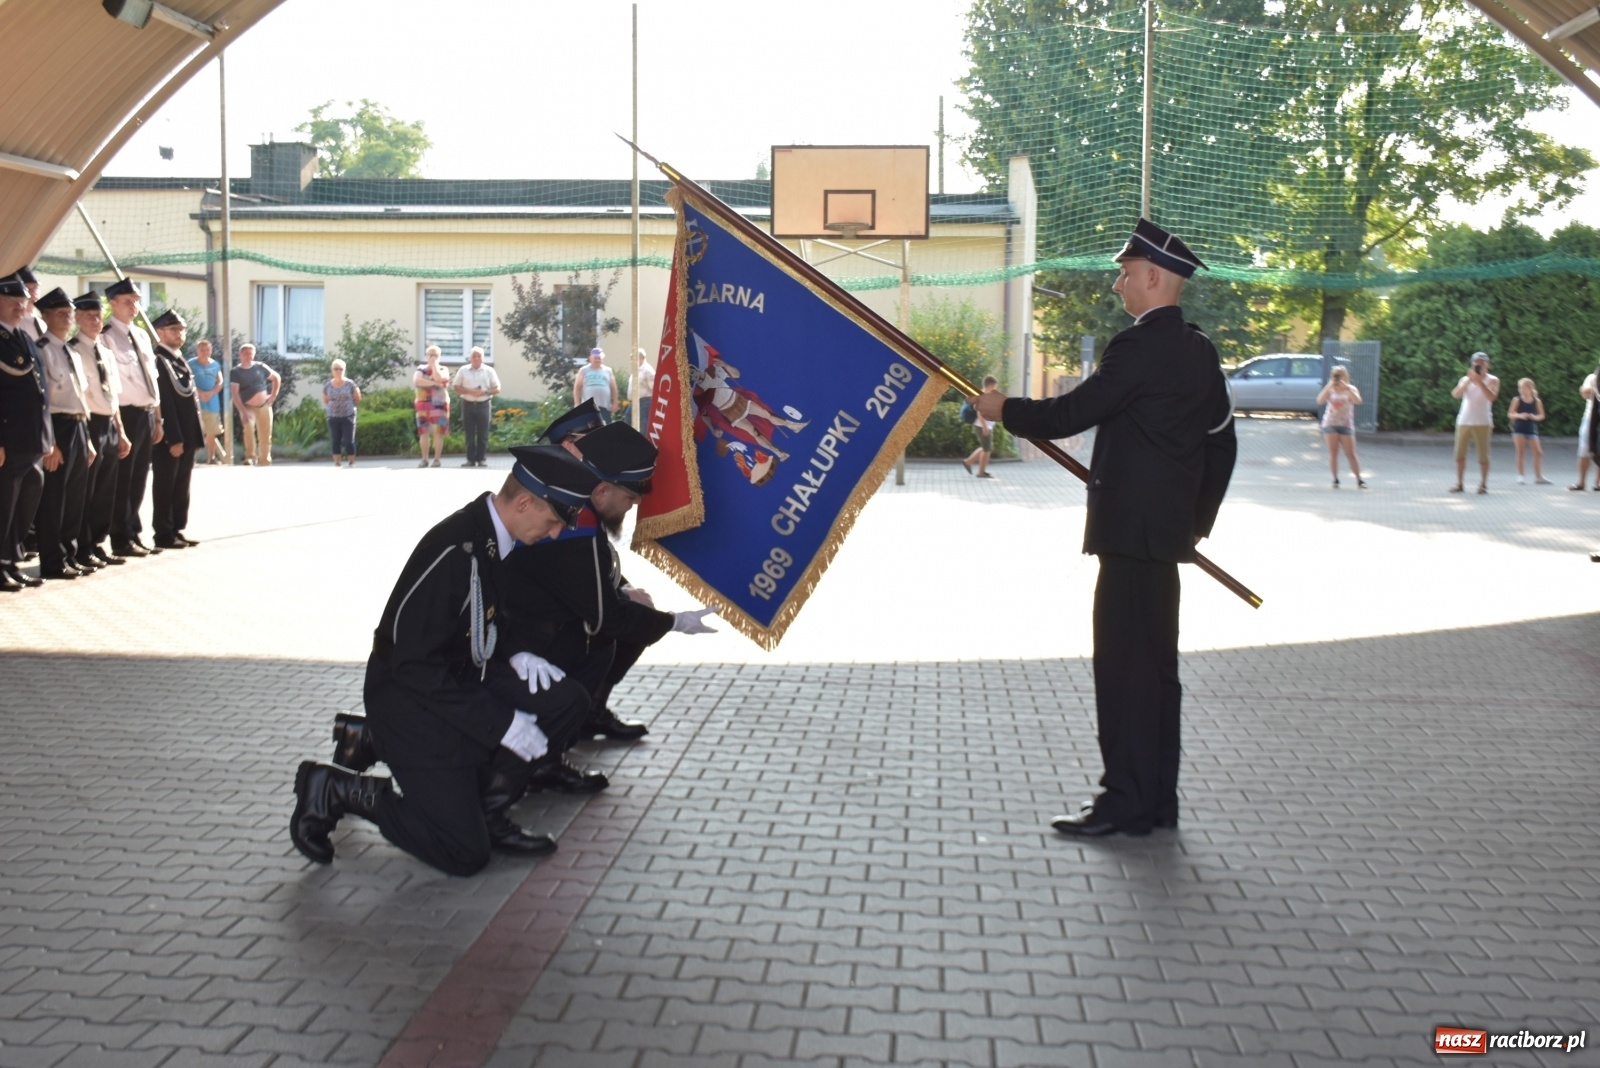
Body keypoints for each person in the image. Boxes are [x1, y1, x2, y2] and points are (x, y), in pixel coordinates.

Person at [974, 219, 1236, 838]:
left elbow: (1071, 413)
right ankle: (1154, 801)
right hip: (1163, 541)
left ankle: (1123, 801)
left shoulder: (1140, 346)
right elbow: (1221, 445)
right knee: (1156, 675)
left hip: (1127, 539)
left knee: (1123, 673)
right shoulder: (1199, 351)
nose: (1119, 284)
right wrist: (1192, 527)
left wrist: (1002, 409)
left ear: (1153, 277)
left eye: (1125, 273)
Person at [289, 446, 602, 875]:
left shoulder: (497, 537)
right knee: (462, 852)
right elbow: (412, 664)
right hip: (412, 700)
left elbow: (482, 616)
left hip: (463, 679)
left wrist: (515, 652)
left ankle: (485, 812)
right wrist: (500, 723)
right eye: (551, 522)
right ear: (526, 502)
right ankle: (339, 789)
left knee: (565, 701)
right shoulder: (455, 549)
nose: (552, 535)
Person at [502, 407, 718, 754]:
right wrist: (674, 621)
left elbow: (589, 573)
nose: (632, 508)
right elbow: (602, 607)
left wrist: (622, 588)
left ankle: (589, 714)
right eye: (630, 499)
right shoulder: (572, 516)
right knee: (605, 637)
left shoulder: (578, 504)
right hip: (521, 642)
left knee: (627, 619)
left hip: (533, 623)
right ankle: (549, 754)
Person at [31, 289, 95, 579]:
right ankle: (53, 562)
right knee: (54, 499)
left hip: (79, 426)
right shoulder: (41, 349)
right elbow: (40, 399)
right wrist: (50, 442)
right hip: (57, 427)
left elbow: (81, 396)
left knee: (74, 498)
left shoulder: (71, 350)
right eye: (60, 313)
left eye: (69, 313)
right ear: (44, 316)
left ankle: (69, 555)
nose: (67, 318)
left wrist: (89, 438)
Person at [103, 278, 165, 558]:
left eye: (137, 301)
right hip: (125, 414)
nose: (134, 306)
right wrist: (118, 425)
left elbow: (152, 380)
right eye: (127, 301)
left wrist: (159, 419)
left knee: (139, 478)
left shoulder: (140, 335)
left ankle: (133, 532)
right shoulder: (106, 336)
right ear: (112, 303)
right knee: (122, 479)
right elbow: (111, 385)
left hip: (146, 413)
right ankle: (120, 538)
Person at [69, 291, 131, 570]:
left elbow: (114, 396)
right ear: (78, 319)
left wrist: (121, 431)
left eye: (98, 316)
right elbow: (78, 395)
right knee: (86, 490)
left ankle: (96, 543)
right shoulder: (72, 350)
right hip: (89, 423)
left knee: (106, 490)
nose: (95, 321)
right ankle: (81, 548)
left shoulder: (105, 351)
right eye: (89, 316)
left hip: (108, 423)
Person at [0, 273, 53, 593]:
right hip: (11, 439)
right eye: (13, 302)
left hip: (33, 439)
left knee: (26, 500)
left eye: (23, 301)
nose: (21, 306)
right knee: (4, 503)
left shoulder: (24, 337)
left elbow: (40, 391)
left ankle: (11, 559)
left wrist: (46, 438)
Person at [149, 309, 202, 550]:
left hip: (187, 434)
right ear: (159, 332)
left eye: (181, 330)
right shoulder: (159, 360)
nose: (179, 334)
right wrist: (174, 438)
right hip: (173, 437)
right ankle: (163, 533)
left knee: (181, 486)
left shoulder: (177, 359)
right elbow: (165, 402)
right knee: (166, 485)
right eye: (173, 330)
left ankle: (176, 528)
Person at [1450, 352, 1500, 495]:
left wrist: (1479, 382)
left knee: (1483, 456)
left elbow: (1492, 397)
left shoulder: (1493, 380)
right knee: (1459, 455)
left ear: (1487, 365)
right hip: (1464, 421)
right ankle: (1459, 483)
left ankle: (1483, 484)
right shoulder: (1465, 379)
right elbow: (1455, 395)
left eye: (1482, 363)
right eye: (1476, 363)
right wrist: (1467, 382)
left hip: (1483, 422)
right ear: (1472, 364)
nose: (1479, 365)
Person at [229, 343, 279, 467]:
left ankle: (265, 460)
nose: (248, 356)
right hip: (247, 406)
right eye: (245, 353)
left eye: (250, 353)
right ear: (240, 355)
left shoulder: (260, 367)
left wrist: (273, 396)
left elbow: (276, 378)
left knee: (266, 433)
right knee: (249, 428)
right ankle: (250, 457)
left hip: (264, 406)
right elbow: (235, 393)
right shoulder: (236, 372)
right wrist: (243, 411)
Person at [1316, 365, 1365, 488]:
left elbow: (1358, 401)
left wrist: (1347, 388)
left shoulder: (1351, 388)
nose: (1338, 379)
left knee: (1351, 453)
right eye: (1335, 376)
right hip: (1330, 423)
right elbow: (1319, 401)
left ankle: (1359, 479)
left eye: (1340, 376)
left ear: (1345, 376)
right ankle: (1335, 479)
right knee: (1333, 453)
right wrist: (1329, 385)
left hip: (1346, 424)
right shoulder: (1330, 389)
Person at [451, 346, 500, 467]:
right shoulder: (463, 370)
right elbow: (456, 387)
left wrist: (484, 392)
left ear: (483, 358)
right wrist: (469, 391)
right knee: (469, 433)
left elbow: (497, 388)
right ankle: (470, 460)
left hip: (483, 404)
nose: (476, 358)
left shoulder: (489, 371)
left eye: (479, 356)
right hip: (467, 404)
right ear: (470, 358)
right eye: (474, 356)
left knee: (483, 433)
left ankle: (481, 459)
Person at [188, 339, 226, 464]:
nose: (205, 352)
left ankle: (212, 458)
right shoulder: (190, 364)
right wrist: (200, 392)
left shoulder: (216, 365)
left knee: (211, 432)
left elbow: (220, 382)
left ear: (211, 351)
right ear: (197, 351)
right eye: (202, 350)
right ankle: (191, 458)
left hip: (212, 403)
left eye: (207, 350)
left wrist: (211, 393)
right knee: (193, 431)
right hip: (195, 403)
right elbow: (187, 381)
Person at [414, 345, 451, 467]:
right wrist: (435, 383)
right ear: (426, 356)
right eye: (429, 355)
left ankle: (437, 459)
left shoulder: (443, 369)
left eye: (434, 355)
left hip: (439, 406)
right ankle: (424, 459)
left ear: (439, 357)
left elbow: (440, 377)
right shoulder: (420, 369)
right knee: (423, 432)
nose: (431, 357)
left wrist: (434, 366)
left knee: (438, 433)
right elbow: (417, 381)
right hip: (423, 406)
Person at [1508, 377, 1550, 485]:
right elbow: (1510, 414)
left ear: (1530, 388)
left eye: (1524, 388)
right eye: (1520, 388)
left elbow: (1541, 415)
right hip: (1519, 428)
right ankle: (1520, 476)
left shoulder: (1537, 401)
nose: (1521, 390)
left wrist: (1534, 417)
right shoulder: (1517, 400)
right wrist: (1520, 415)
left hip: (1531, 428)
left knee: (1538, 452)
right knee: (1520, 452)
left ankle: (1538, 476)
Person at [322, 359, 361, 467]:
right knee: (336, 440)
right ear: (332, 371)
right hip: (333, 416)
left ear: (344, 370)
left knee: (349, 440)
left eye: (341, 369)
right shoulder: (328, 385)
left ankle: (351, 461)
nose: (338, 371)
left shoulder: (350, 384)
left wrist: (348, 406)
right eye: (336, 369)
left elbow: (357, 398)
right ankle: (337, 462)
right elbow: (325, 400)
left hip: (348, 415)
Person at [963, 375, 1000, 478]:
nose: (995, 388)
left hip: (984, 425)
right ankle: (980, 471)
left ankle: (969, 462)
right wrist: (984, 427)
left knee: (985, 448)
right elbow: (980, 413)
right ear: (990, 385)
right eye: (994, 386)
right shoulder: (983, 396)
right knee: (986, 449)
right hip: (982, 425)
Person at [573, 347, 617, 424]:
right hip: (588, 408)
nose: (597, 360)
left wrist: (615, 402)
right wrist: (577, 403)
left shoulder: (608, 371)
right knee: (590, 429)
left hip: (604, 406)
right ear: (590, 358)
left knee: (605, 429)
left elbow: (613, 388)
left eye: (599, 358)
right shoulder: (583, 370)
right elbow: (577, 387)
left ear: (602, 358)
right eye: (595, 358)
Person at [1572, 367, 1598, 492]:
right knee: (1584, 449)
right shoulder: (1593, 377)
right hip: (1591, 418)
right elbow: (1585, 392)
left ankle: (1597, 483)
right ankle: (1581, 482)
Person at [633, 350, 654, 429]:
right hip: (635, 401)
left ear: (641, 357)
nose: (632, 360)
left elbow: (653, 387)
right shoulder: (636, 369)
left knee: (643, 423)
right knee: (628, 418)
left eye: (633, 357)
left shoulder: (648, 370)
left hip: (645, 401)